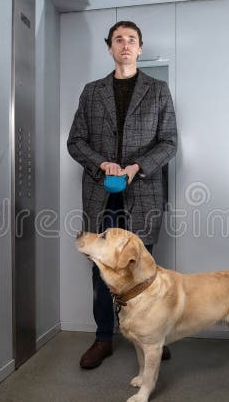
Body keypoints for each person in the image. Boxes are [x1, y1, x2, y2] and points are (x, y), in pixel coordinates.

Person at [67, 21, 178, 369]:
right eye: (119, 39)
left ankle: (152, 334)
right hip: (101, 196)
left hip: (143, 193)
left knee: (144, 268)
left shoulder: (158, 90)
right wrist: (101, 163)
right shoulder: (91, 91)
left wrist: (136, 167)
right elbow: (76, 141)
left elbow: (169, 142)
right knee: (102, 270)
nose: (125, 45)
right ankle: (104, 338)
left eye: (131, 40)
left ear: (140, 48)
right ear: (110, 48)